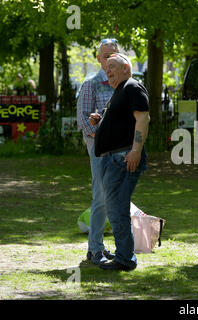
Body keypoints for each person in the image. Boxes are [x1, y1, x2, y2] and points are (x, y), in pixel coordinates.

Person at [90, 52, 150, 271]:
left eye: (112, 66)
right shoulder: (120, 91)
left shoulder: (132, 86)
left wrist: (135, 150)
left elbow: (143, 118)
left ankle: (125, 258)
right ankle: (124, 254)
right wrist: (101, 119)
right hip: (112, 159)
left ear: (126, 68)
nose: (108, 70)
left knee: (116, 210)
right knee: (115, 209)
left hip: (123, 158)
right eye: (106, 68)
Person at [76, 38, 120, 265]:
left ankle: (102, 247)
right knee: (101, 197)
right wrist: (104, 133)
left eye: (113, 55)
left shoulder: (123, 84)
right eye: (105, 56)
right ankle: (94, 250)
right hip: (100, 149)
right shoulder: (90, 83)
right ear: (98, 59)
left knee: (114, 197)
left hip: (120, 149)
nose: (109, 60)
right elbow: (84, 123)